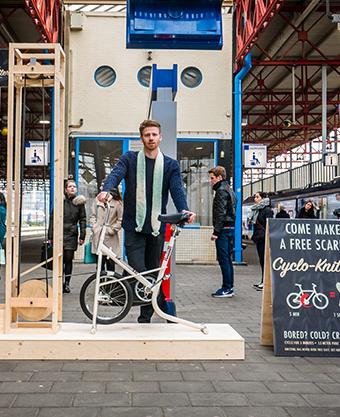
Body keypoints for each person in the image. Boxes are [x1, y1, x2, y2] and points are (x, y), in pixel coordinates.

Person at [98, 119, 195, 323]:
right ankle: (166, 310)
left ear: (160, 137)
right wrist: (107, 189)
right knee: (138, 272)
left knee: (152, 272)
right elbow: (116, 174)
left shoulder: (170, 165)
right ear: (141, 138)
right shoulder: (130, 159)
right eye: (147, 135)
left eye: (154, 134)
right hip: (133, 226)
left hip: (157, 227)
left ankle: (146, 317)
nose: (151, 138)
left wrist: (184, 210)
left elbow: (177, 190)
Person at [48, 180, 87, 293]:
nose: (72, 188)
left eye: (74, 187)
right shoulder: (60, 201)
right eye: (70, 187)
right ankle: (59, 282)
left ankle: (67, 283)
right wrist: (50, 235)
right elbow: (53, 218)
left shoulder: (79, 203)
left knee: (68, 259)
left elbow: (83, 219)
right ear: (65, 189)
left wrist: (82, 235)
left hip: (71, 234)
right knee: (60, 259)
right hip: (59, 233)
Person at [208, 166, 236, 298]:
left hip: (223, 229)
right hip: (230, 228)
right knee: (228, 260)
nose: (211, 181)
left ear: (219, 177)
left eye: (212, 178)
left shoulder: (221, 191)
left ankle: (226, 288)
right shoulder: (230, 190)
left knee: (223, 259)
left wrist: (216, 231)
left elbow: (221, 212)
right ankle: (229, 286)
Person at [89, 180, 124, 272]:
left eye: (103, 186)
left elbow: (121, 220)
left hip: (110, 238)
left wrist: (111, 230)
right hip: (98, 235)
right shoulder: (97, 200)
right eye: (101, 186)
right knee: (99, 265)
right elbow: (92, 216)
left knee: (110, 265)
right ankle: (100, 285)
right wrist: (94, 227)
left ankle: (110, 285)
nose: (101, 188)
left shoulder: (118, 203)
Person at [248, 191, 273, 291]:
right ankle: (263, 281)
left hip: (263, 238)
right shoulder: (257, 210)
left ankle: (266, 282)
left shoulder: (267, 210)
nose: (255, 199)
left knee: (264, 261)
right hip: (259, 237)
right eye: (255, 197)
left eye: (257, 197)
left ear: (263, 198)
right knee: (261, 260)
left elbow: (269, 225)